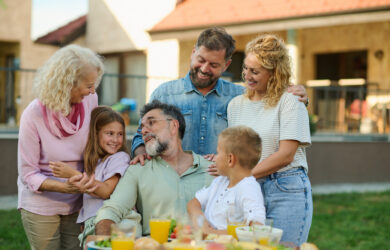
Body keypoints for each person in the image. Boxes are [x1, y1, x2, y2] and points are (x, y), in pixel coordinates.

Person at [131, 27, 308, 164]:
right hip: (173, 183)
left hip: (220, 186)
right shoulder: (164, 94)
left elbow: (273, 110)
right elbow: (141, 135)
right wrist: (140, 155)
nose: (204, 68)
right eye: (201, 60)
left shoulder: (241, 96)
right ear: (193, 52)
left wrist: (299, 98)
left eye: (214, 65)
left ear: (226, 65)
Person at [227, 34, 312, 246]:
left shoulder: (291, 101)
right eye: (245, 68)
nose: (247, 75)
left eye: (255, 71)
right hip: (249, 189)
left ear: (274, 73)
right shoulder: (235, 105)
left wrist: (243, 176)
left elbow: (286, 155)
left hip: (285, 187)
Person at [17, 44, 104, 250]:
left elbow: (93, 146)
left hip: (78, 201)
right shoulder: (33, 115)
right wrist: (63, 187)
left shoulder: (91, 100)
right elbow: (28, 174)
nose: (93, 90)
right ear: (67, 83)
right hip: (41, 204)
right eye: (89, 85)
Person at [94, 100, 214, 236]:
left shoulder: (213, 169)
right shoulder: (138, 169)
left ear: (173, 126)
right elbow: (111, 211)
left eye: (152, 123)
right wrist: (103, 241)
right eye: (142, 128)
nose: (144, 131)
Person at [50, 106, 130, 246]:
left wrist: (73, 174)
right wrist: (84, 219)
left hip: (109, 223)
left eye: (120, 134)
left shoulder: (119, 158)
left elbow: (105, 191)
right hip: (92, 223)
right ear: (97, 134)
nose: (116, 139)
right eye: (109, 133)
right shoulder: (97, 162)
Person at [187, 126, 266, 234]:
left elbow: (257, 228)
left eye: (218, 152)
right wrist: (201, 221)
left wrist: (212, 233)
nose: (214, 157)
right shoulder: (220, 182)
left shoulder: (248, 188)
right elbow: (193, 203)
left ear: (230, 159)